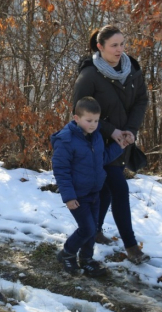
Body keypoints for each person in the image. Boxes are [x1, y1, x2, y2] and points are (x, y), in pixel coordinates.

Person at [73, 25, 150, 264]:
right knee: (119, 188)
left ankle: (94, 230)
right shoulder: (89, 76)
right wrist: (112, 130)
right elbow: (79, 112)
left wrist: (130, 131)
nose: (120, 50)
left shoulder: (132, 69)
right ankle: (130, 246)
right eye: (114, 45)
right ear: (100, 47)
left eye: (122, 44)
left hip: (122, 141)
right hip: (96, 143)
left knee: (106, 189)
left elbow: (141, 101)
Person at [51, 97, 125, 276]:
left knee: (93, 229)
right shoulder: (66, 140)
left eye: (96, 121)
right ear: (77, 118)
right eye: (89, 120)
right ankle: (67, 254)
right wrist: (68, 197)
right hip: (77, 196)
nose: (93, 124)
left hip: (94, 192)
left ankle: (86, 259)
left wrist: (120, 146)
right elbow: (61, 170)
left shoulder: (96, 136)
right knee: (87, 228)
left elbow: (102, 159)